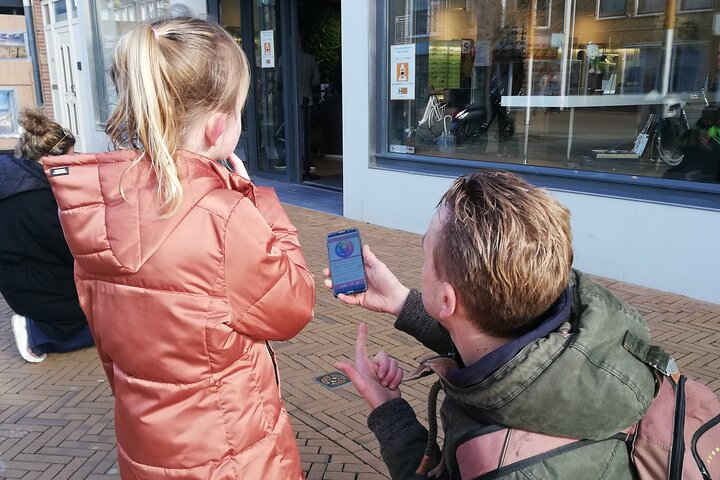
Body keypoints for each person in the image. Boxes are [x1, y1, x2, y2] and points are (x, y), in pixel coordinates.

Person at [43, 17, 316, 479]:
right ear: (217, 127)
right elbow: (293, 306)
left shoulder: (97, 209)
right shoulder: (226, 216)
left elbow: (111, 350)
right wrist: (259, 205)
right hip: (233, 456)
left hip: (148, 449)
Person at [326, 170, 657, 479]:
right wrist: (400, 301)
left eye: (425, 255)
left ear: (446, 300)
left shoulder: (503, 467)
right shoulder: (583, 322)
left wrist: (389, 414)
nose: (422, 265)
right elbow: (489, 336)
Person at [0, 108, 94, 363]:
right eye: (70, 158)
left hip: (16, 281)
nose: (74, 164)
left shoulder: (12, 177)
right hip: (43, 288)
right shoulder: (40, 199)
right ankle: (35, 334)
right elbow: (71, 250)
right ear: (48, 159)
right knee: (109, 324)